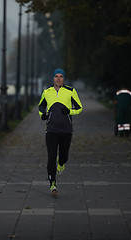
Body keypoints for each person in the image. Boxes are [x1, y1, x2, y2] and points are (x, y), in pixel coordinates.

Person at [38, 68, 83, 196]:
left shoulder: (71, 91)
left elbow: (79, 108)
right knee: (51, 156)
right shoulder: (47, 92)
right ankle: (52, 184)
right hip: (51, 130)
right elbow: (41, 106)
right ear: (53, 78)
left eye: (61, 76)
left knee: (64, 155)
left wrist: (69, 111)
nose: (58, 79)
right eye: (56, 76)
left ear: (64, 78)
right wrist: (43, 115)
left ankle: (61, 163)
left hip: (66, 130)